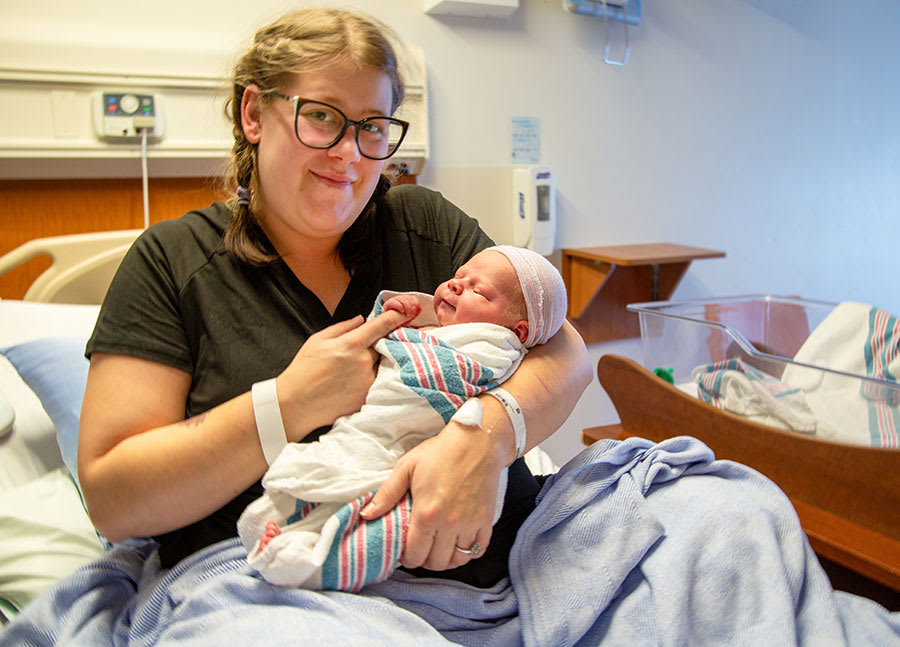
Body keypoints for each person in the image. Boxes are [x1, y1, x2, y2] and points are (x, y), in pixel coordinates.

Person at [75, 7, 591, 594]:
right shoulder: (173, 262)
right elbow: (114, 501)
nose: (349, 154)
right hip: (282, 590)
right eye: (321, 117)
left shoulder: (422, 225)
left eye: (372, 126)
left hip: (517, 563)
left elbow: (565, 349)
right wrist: (286, 406)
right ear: (253, 114)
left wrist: (485, 436)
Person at [237, 245, 568, 590]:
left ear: (519, 332)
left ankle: (317, 567)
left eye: (478, 290)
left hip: (427, 477)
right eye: (457, 277)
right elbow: (397, 340)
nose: (456, 286)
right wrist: (400, 317)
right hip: (374, 437)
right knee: (321, 482)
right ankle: (285, 530)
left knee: (385, 523)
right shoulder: (442, 331)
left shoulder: (493, 347)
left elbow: (454, 376)